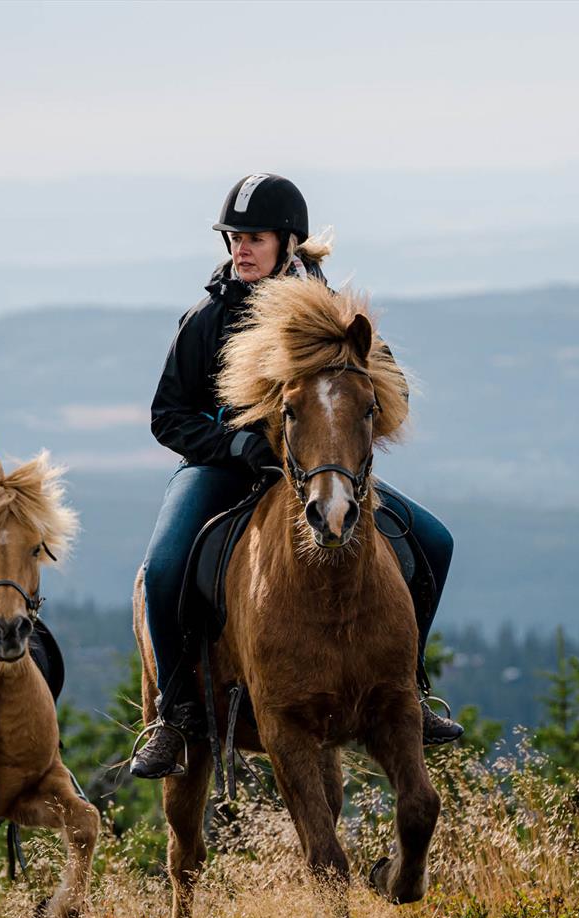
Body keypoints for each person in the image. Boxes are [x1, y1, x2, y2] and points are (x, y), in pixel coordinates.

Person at [130, 173, 462, 780]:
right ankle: (175, 713)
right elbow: (167, 416)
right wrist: (234, 444)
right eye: (233, 238)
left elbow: (391, 393)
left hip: (317, 472)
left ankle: (408, 685)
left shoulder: (333, 315)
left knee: (434, 542)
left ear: (288, 241)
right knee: (165, 565)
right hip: (225, 469)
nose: (240, 249)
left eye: (253, 237)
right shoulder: (207, 318)